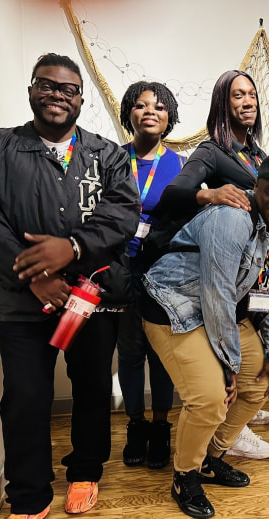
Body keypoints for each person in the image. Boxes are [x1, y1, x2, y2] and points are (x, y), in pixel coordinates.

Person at [0, 53, 140, 519]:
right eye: (47, 85)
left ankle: (85, 472)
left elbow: (123, 213)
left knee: (91, 387)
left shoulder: (107, 155)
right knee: (24, 397)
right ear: (31, 90)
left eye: (68, 89)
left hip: (89, 297)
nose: (57, 95)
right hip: (24, 304)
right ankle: (28, 499)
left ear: (81, 99)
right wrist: (36, 279)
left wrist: (73, 248)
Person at [142, 154, 269, 518]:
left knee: (258, 382)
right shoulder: (233, 217)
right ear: (256, 186)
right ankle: (185, 475)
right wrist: (227, 363)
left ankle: (210, 457)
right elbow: (217, 293)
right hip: (175, 308)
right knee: (211, 398)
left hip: (220, 312)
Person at [147, 69, 269, 460]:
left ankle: (229, 437)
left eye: (252, 95)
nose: (248, 101)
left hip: (251, 272)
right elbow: (174, 192)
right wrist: (211, 193)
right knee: (214, 383)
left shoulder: (258, 157)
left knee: (252, 372)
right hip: (208, 277)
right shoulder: (212, 150)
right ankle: (199, 457)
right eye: (238, 95)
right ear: (223, 102)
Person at [116, 81, 184, 469]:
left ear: (168, 117)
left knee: (161, 355)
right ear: (130, 114)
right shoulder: (112, 158)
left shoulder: (179, 164)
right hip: (120, 270)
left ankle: (161, 427)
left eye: (158, 107)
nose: (149, 112)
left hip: (162, 272)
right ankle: (135, 425)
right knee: (129, 353)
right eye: (141, 106)